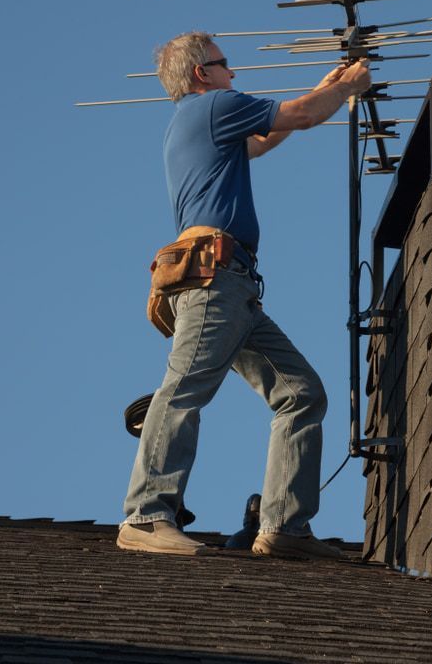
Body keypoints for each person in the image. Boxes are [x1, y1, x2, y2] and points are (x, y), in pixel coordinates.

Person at [117, 30, 371, 558]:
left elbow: (269, 136)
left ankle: (283, 529)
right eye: (225, 63)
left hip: (233, 288)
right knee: (185, 386)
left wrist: (325, 89)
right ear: (201, 74)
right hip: (215, 282)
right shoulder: (213, 106)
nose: (234, 72)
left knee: (302, 394)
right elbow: (298, 115)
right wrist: (346, 91)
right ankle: (146, 514)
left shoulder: (203, 120)